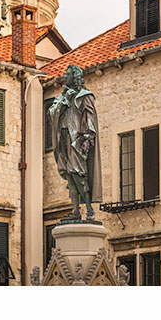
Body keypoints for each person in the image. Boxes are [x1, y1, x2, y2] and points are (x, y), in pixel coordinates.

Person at [47, 63, 102, 221]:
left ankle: (89, 208)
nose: (65, 77)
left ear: (75, 77)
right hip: (63, 138)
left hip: (77, 140)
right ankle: (75, 210)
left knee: (78, 173)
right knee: (69, 174)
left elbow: (90, 118)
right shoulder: (63, 97)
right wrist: (66, 99)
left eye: (68, 75)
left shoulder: (85, 96)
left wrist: (87, 137)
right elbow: (51, 113)